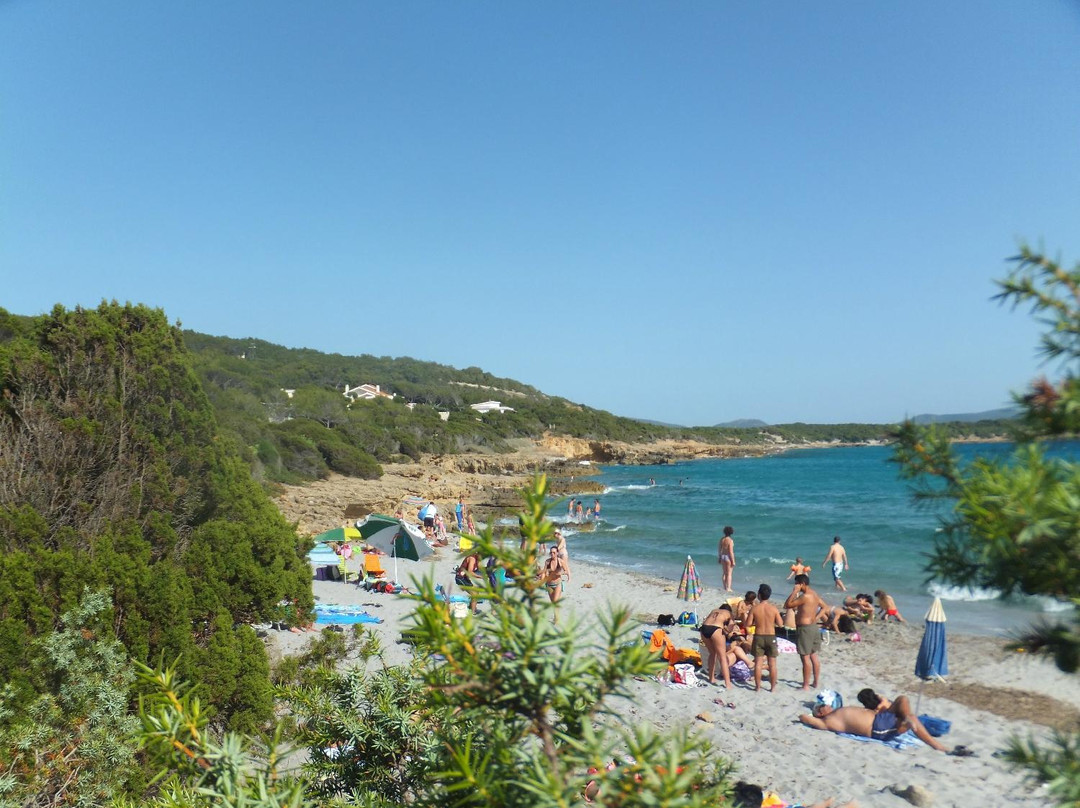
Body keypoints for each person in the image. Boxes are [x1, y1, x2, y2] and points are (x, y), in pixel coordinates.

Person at [800, 689, 949, 752]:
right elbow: (805, 718)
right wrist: (808, 716)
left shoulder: (838, 711)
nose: (821, 708)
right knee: (911, 718)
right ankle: (936, 745)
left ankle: (907, 718)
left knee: (902, 699)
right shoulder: (828, 722)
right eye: (819, 709)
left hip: (880, 719)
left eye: (822, 706)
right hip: (877, 728)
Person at [784, 573, 827, 690]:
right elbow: (825, 607)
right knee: (813, 655)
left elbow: (787, 605)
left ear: (802, 584)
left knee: (805, 657)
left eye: (797, 584)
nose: (796, 585)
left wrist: (794, 592)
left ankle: (806, 685)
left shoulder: (805, 596)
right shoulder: (814, 594)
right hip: (813, 627)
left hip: (805, 629)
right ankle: (816, 682)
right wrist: (816, 618)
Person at [698, 604, 751, 687]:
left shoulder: (714, 610)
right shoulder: (729, 614)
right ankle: (728, 683)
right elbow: (729, 629)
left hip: (704, 628)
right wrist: (727, 630)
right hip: (716, 629)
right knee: (722, 657)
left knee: (712, 653)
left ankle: (711, 678)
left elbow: (708, 621)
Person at [745, 583, 783, 692]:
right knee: (772, 664)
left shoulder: (755, 609)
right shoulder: (773, 609)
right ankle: (773, 688)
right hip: (771, 636)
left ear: (759, 595)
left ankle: (757, 687)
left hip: (759, 636)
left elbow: (748, 624)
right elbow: (780, 624)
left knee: (758, 663)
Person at [539, 545, 569, 620]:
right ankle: (556, 617)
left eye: (554, 552)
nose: (552, 554)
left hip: (558, 584)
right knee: (553, 603)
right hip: (549, 585)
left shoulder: (561, 561)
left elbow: (566, 571)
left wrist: (561, 573)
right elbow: (544, 572)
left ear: (557, 553)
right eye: (551, 552)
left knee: (555, 602)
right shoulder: (547, 562)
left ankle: (556, 619)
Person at [718, 526, 736, 593]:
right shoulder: (730, 540)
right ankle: (728, 588)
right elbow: (731, 552)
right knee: (729, 573)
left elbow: (719, 549)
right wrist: (733, 561)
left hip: (723, 556)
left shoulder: (722, 539)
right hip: (728, 557)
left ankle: (725, 587)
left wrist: (719, 557)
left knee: (724, 573)